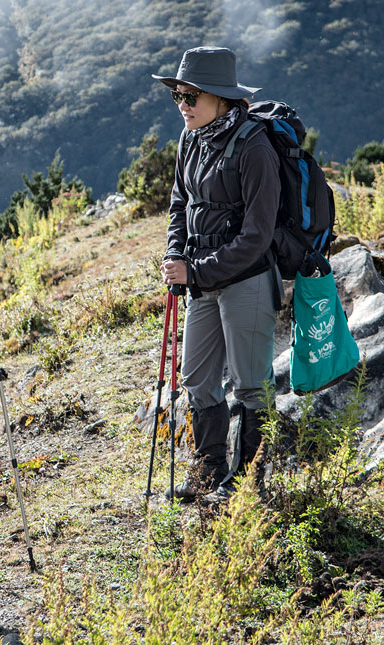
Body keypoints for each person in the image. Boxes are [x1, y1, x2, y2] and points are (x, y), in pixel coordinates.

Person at [153, 46, 281, 505]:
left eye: (191, 97)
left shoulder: (255, 148)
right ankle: (209, 473)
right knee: (196, 378)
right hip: (199, 280)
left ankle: (246, 486)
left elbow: (257, 236)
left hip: (245, 279)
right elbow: (178, 205)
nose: (182, 106)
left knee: (250, 383)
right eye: (177, 97)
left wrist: (196, 270)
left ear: (222, 99)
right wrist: (175, 254)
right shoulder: (191, 139)